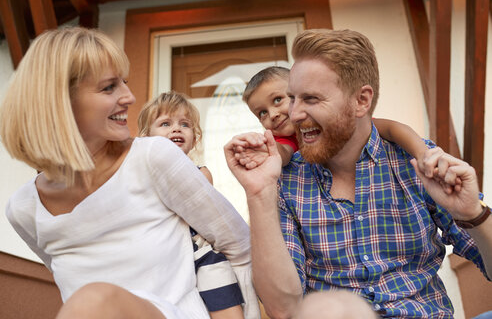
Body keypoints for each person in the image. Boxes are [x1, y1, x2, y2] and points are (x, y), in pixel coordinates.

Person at [225, 28, 492, 319]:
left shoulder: (416, 162)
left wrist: (472, 214)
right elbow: (282, 308)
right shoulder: (285, 179)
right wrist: (259, 192)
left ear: (361, 101)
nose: (294, 113)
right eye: (292, 98)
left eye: (311, 99)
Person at [0, 27, 258, 319]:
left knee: (93, 300)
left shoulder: (153, 157)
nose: (130, 97)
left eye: (125, 83)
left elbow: (239, 247)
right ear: (60, 102)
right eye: (109, 87)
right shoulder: (23, 209)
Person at [137, 91, 246, 319]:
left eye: (184, 124)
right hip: (165, 257)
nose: (176, 129)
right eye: (165, 123)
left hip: (202, 253)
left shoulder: (201, 173)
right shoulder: (141, 177)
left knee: (224, 299)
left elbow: (194, 211)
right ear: (146, 138)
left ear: (194, 138)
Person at [241, 66, 429, 168]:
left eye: (277, 100)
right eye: (262, 113)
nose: (272, 115)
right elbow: (283, 154)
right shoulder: (281, 139)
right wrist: (265, 152)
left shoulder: (333, 120)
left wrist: (423, 154)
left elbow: (392, 128)